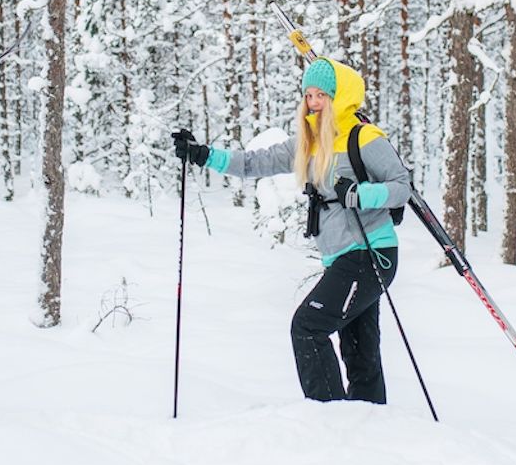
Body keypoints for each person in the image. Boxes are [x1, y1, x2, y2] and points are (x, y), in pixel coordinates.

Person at [173, 56, 411, 403]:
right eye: (308, 95)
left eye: (321, 96)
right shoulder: (309, 141)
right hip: (342, 257)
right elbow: (255, 163)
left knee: (308, 327)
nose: (313, 103)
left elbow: (401, 185)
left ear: (339, 97)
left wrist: (360, 194)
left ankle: (330, 417)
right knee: (359, 350)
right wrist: (205, 155)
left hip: (371, 253)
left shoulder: (364, 137)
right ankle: (369, 424)